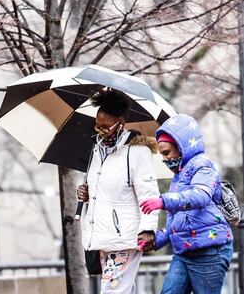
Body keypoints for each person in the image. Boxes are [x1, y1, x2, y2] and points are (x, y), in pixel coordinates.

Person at [139, 114, 234, 294]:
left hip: (209, 251)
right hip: (185, 252)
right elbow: (177, 222)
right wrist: (154, 241)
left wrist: (163, 201)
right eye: (162, 155)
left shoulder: (203, 166)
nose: (165, 159)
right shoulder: (178, 177)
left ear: (182, 147)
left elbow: (201, 196)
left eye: (167, 153)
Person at [77, 89, 160, 293]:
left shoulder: (137, 152)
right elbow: (107, 190)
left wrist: (148, 229)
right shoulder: (97, 151)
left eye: (105, 126)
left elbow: (149, 194)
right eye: (97, 126)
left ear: (120, 123)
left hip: (124, 238)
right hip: (102, 237)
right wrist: (88, 195)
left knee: (113, 290)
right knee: (121, 289)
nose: (100, 131)